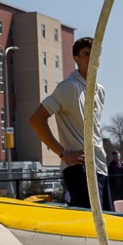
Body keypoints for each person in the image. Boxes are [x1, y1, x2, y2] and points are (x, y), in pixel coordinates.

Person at [29, 36, 111, 211]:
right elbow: (36, 119)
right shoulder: (69, 87)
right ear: (76, 58)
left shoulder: (100, 90)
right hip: (79, 168)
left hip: (100, 166)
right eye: (86, 54)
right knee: (90, 222)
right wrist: (63, 153)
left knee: (107, 220)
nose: (92, 58)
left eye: (95, 54)